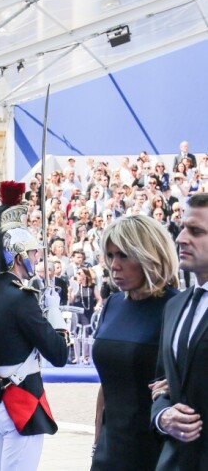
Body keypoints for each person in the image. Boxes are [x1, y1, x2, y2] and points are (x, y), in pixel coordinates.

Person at [0, 181, 69, 471]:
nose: (37, 257)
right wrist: (53, 310)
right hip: (19, 403)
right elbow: (59, 354)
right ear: (19, 256)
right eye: (33, 253)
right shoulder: (22, 298)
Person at [90, 215, 180, 470]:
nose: (114, 265)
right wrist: (97, 443)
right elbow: (107, 383)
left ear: (149, 256)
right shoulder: (113, 305)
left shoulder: (177, 307)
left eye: (124, 255)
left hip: (157, 451)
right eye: (110, 256)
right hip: (109, 450)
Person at [151, 193, 208, 470]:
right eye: (183, 228)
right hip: (173, 461)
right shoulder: (174, 306)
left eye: (196, 231)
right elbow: (161, 383)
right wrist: (163, 416)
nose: (181, 238)